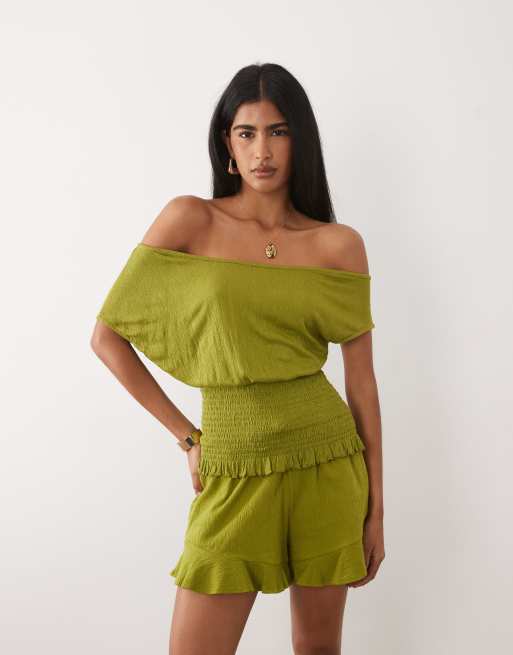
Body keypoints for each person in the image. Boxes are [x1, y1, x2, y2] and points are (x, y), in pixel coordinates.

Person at [91, 62, 385, 655]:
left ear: (300, 140)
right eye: (246, 133)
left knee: (318, 650)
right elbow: (107, 337)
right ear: (226, 143)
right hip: (231, 464)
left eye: (278, 131)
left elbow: (362, 387)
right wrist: (186, 437)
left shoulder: (338, 245)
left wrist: (377, 511)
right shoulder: (190, 219)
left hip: (327, 463)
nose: (262, 151)